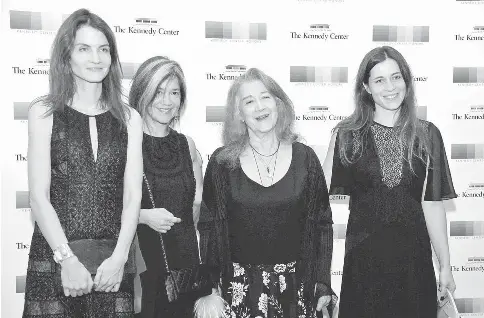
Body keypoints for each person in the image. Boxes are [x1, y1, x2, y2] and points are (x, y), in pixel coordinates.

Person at [23, 8, 143, 317]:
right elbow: (39, 197)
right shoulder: (44, 112)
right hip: (55, 262)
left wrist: (120, 260)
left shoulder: (130, 119)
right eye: (84, 48)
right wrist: (67, 260)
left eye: (104, 49)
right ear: (66, 56)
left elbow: (132, 198)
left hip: (112, 267)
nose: (96, 58)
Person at [323, 46, 457, 318]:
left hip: (414, 264)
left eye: (396, 77)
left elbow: (431, 205)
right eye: (379, 80)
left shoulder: (427, 134)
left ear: (406, 80)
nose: (390, 87)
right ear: (366, 87)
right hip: (363, 266)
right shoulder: (347, 136)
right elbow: (316, 195)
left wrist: (445, 265)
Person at [199, 68, 337, 317]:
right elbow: (209, 226)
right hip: (239, 290)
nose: (259, 107)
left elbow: (322, 225)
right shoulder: (221, 163)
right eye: (249, 101)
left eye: (265, 97)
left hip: (297, 290)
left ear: (278, 103)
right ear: (239, 114)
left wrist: (323, 283)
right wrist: (210, 284)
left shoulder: (306, 158)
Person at [129, 56, 205, 317]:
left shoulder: (188, 145)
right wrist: (142, 216)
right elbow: (99, 209)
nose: (166, 101)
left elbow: (197, 208)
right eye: (158, 92)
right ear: (142, 93)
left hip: (186, 273)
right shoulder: (124, 143)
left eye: (174, 92)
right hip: (145, 271)